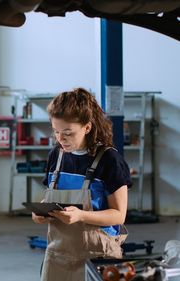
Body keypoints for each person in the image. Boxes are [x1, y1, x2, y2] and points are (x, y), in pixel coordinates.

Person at [32, 88, 132, 281]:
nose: (61, 139)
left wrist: (80, 216)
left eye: (68, 132)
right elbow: (50, 196)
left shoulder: (109, 160)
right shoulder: (57, 155)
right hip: (57, 254)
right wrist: (41, 212)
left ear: (87, 127)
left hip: (98, 256)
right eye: (56, 131)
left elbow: (119, 215)